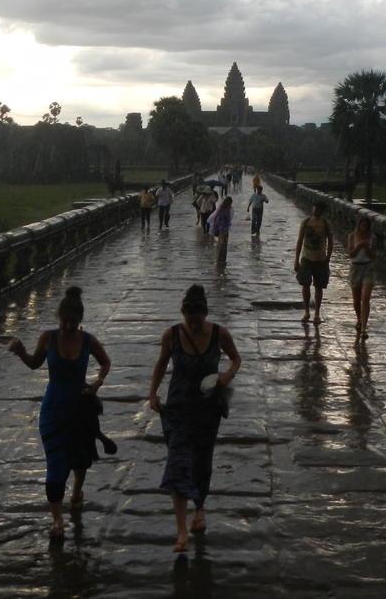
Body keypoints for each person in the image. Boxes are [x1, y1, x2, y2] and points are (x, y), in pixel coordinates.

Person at [6, 286, 111, 540]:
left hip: (80, 408)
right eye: (64, 321)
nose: (68, 327)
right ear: (58, 318)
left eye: (73, 323)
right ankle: (57, 520)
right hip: (53, 409)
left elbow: (105, 362)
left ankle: (76, 491)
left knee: (80, 456)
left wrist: (97, 383)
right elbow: (34, 363)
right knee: (55, 461)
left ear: (80, 321)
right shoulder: (48, 338)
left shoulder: (88, 341)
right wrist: (21, 352)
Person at [148, 285, 242, 553]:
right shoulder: (172, 335)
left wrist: (227, 375)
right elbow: (161, 364)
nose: (194, 326)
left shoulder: (219, 334)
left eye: (198, 321)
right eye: (189, 321)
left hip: (207, 409)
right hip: (178, 408)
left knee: (202, 461)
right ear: (183, 315)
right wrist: (152, 393)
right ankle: (181, 531)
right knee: (178, 463)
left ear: (205, 315)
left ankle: (199, 507)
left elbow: (236, 359)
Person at [293, 200, 333, 325]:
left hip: (320, 260)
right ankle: (306, 311)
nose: (316, 210)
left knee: (319, 287)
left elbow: (331, 242)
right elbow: (300, 241)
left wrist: (328, 258)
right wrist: (296, 259)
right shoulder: (306, 222)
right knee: (305, 285)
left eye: (318, 209)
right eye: (314, 208)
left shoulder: (325, 223)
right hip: (306, 258)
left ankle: (317, 313)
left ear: (321, 211)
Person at [346, 216, 377, 338]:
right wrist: (359, 246)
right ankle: (359, 319)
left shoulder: (372, 237)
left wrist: (367, 247)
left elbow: (373, 256)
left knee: (365, 297)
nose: (364, 228)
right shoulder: (352, 236)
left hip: (368, 268)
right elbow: (351, 254)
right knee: (356, 300)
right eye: (362, 225)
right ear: (358, 225)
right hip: (355, 268)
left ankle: (364, 327)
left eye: (366, 226)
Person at [207, 195, 233, 267]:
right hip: (223, 229)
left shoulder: (224, 208)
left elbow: (214, 217)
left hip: (223, 229)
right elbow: (227, 218)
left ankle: (220, 259)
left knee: (222, 244)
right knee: (222, 244)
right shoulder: (225, 209)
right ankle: (220, 259)